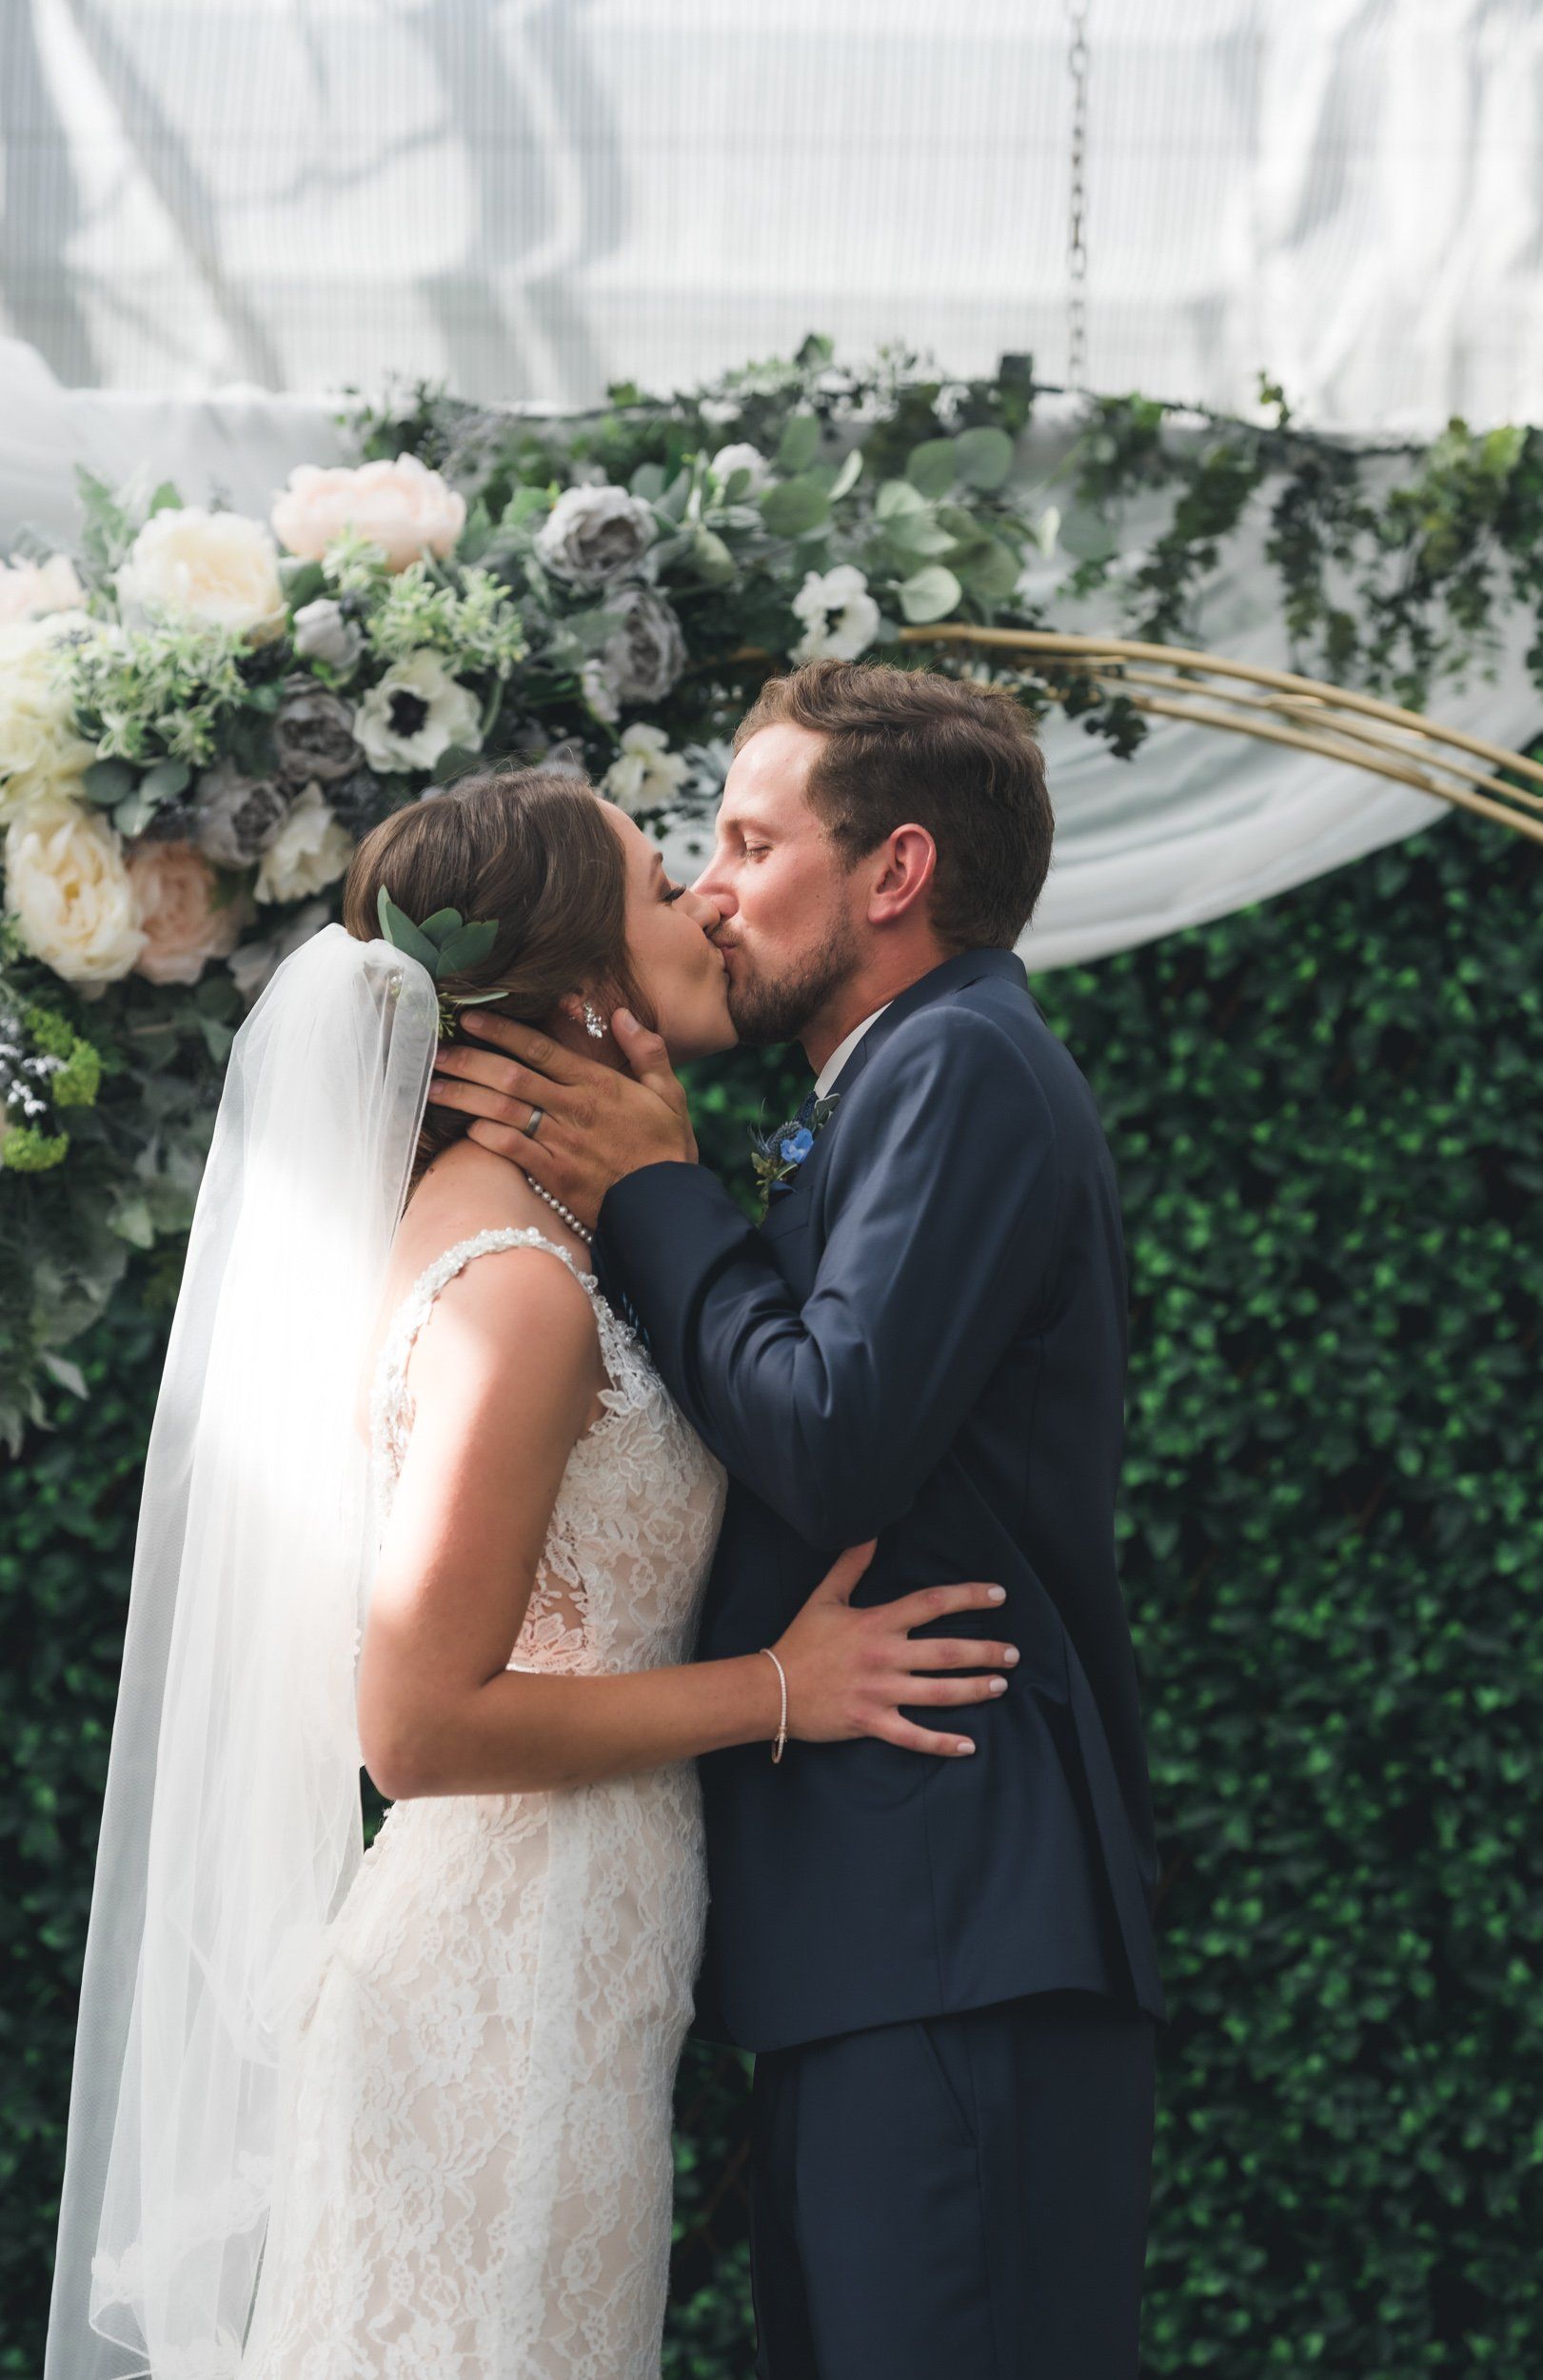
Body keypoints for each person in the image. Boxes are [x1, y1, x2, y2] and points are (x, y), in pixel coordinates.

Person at [43, 764, 1016, 2380]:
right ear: (583, 991)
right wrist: (783, 1689)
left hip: (569, 1992)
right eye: (658, 882)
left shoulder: (554, 1244)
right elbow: (415, 1725)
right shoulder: (518, 1291)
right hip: (495, 2000)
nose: (707, 899)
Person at [430, 661, 1168, 2380]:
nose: (710, 888)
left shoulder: (962, 1064)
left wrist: (652, 1191)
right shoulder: (848, 1101)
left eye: (753, 845)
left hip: (956, 1920)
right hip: (885, 1930)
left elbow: (829, 1432)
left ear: (894, 873)